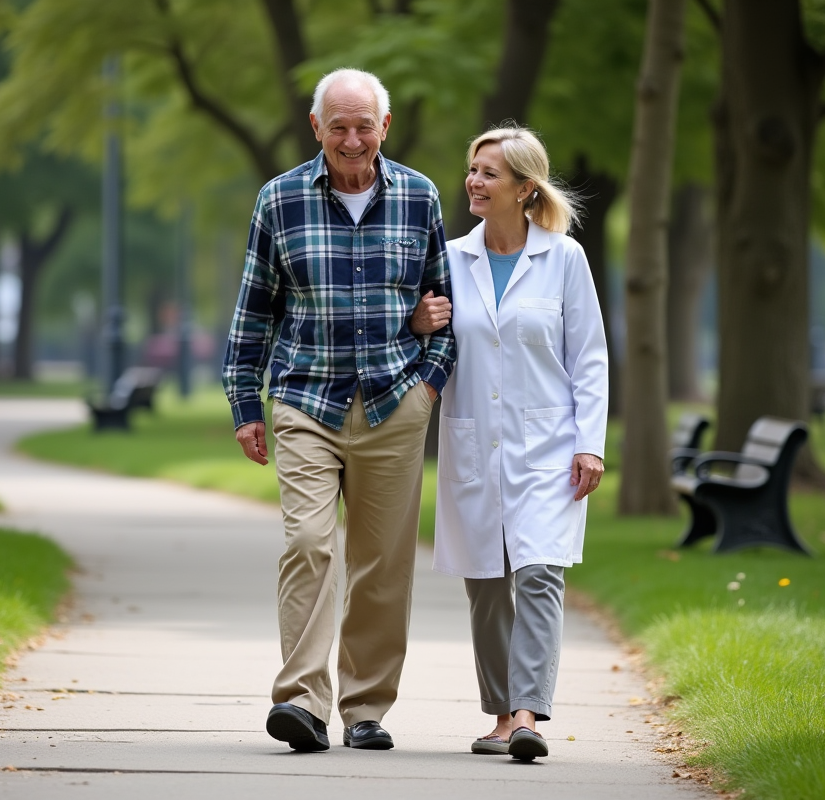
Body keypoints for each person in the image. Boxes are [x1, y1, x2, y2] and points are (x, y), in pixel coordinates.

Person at [222, 68, 456, 753]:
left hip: (394, 399)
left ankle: (365, 708)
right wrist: (245, 403)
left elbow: (445, 309)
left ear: (384, 127)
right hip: (306, 399)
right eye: (338, 126)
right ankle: (300, 701)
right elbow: (254, 310)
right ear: (316, 127)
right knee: (308, 543)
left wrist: (429, 385)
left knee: (382, 565)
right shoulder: (280, 199)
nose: (352, 140)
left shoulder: (419, 196)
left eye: (364, 126)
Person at [412, 126, 607, 760]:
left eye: (489, 173)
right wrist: (417, 324)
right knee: (487, 584)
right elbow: (426, 346)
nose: (474, 180)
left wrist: (590, 444)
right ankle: (499, 716)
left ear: (525, 189)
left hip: (549, 446)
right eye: (472, 169)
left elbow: (590, 359)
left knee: (539, 574)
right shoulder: (449, 257)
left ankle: (526, 715)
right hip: (473, 441)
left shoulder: (565, 259)